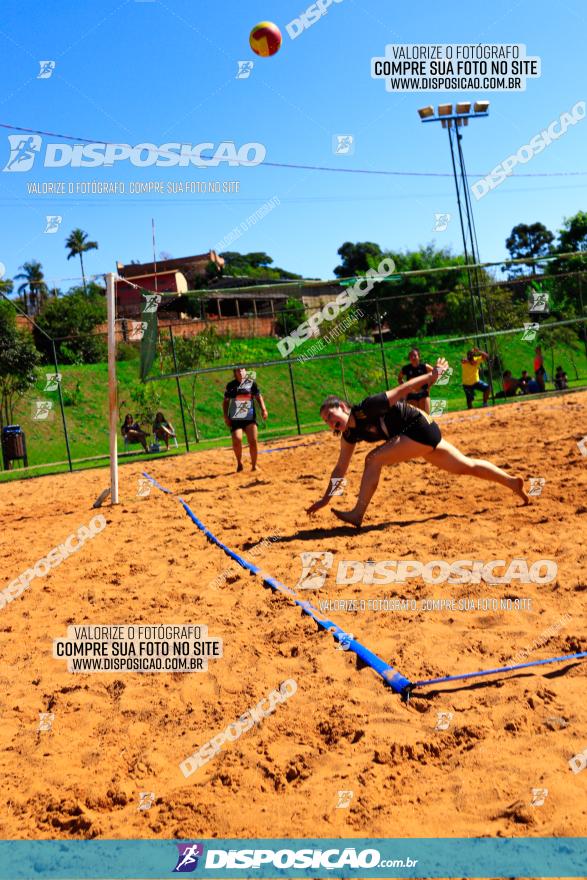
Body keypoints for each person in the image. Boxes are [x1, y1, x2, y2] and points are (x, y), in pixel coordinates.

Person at [306, 357, 528, 529]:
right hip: (420, 433)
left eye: (331, 415)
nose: (330, 422)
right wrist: (326, 499)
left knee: (373, 459)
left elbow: (404, 389)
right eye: (326, 420)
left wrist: (433, 376)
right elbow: (340, 468)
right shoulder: (349, 435)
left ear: (344, 407)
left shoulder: (368, 407)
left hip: (419, 428)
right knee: (465, 466)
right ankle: (511, 482)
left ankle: (357, 514)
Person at [223, 367, 268, 472]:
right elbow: (225, 402)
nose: (241, 372)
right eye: (238, 370)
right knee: (237, 440)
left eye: (242, 370)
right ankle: (239, 463)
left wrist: (264, 409)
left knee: (253, 441)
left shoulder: (250, 382)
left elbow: (258, 396)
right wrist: (225, 416)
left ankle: (254, 466)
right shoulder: (231, 386)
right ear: (235, 373)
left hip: (249, 417)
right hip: (236, 418)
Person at [397, 347, 434, 414]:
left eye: (415, 355)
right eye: (411, 356)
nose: (413, 357)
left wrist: (429, 385)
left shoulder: (424, 367)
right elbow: (399, 378)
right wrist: (405, 387)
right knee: (414, 418)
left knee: (426, 417)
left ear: (419, 356)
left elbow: (436, 373)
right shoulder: (406, 368)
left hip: (423, 394)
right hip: (411, 396)